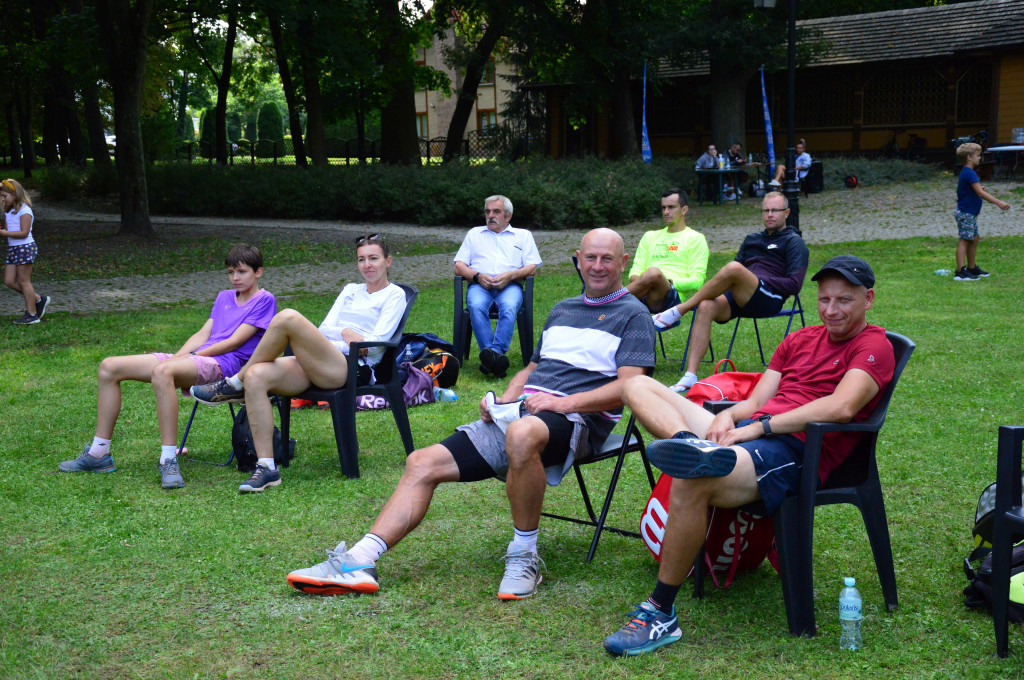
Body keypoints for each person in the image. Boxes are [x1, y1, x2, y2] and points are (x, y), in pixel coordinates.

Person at [284, 228, 656, 600]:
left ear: (623, 262)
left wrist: (564, 404)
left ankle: (523, 554)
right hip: (526, 414)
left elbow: (630, 387)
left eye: (607, 258)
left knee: (523, 432)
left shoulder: (633, 315)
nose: (597, 266)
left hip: (579, 421)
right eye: (590, 257)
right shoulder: (562, 309)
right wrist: (503, 399)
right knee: (421, 462)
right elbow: (533, 367)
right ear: (577, 258)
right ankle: (359, 561)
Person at [603, 254, 895, 657]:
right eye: (825, 299)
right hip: (750, 434)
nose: (831, 310)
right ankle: (691, 442)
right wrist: (730, 418)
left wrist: (758, 427)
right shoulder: (799, 339)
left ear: (868, 299)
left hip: (796, 449)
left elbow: (841, 408)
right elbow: (758, 399)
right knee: (636, 387)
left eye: (844, 300)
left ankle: (660, 612)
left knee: (692, 478)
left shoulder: (873, 346)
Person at [190, 234, 408, 493]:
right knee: (258, 375)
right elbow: (325, 327)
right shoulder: (351, 290)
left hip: (354, 367)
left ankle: (233, 382)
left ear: (388, 261)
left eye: (374, 258)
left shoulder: (395, 295)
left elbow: (378, 340)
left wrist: (342, 338)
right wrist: (344, 332)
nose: (367, 265)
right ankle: (267, 467)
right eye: (362, 259)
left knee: (288, 317)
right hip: (322, 358)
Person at [58, 244, 276, 489]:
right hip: (198, 358)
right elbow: (204, 333)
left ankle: (168, 459)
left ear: (258, 272)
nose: (235, 278)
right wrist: (179, 358)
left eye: (242, 272)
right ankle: (99, 453)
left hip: (225, 366)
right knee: (109, 366)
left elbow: (233, 342)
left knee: (163, 371)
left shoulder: (265, 300)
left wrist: (186, 358)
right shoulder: (224, 296)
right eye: (230, 272)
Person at [652, 192, 809, 393]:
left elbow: (794, 284)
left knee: (734, 268)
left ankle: (679, 310)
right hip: (740, 297)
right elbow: (733, 275)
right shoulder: (752, 239)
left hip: (769, 298)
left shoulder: (794, 242)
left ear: (787, 213)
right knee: (707, 304)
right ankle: (690, 375)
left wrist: (756, 280)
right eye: (766, 210)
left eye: (775, 210)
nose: (769, 214)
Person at [454, 195, 542, 379]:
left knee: (509, 307)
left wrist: (510, 275)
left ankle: (491, 354)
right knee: (476, 306)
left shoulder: (523, 235)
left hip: (510, 285)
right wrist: (477, 277)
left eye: (496, 212)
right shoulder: (474, 234)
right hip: (480, 285)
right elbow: (458, 266)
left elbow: (532, 267)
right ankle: (495, 357)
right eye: (487, 212)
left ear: (508, 216)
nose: (490, 216)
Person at [626, 188, 709, 318]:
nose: (666, 212)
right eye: (663, 208)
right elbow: (634, 272)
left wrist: (666, 281)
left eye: (671, 207)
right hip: (643, 293)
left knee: (654, 273)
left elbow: (697, 281)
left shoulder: (696, 239)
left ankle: (612, 301)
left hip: (671, 298)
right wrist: (648, 283)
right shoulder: (649, 236)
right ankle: (613, 301)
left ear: (684, 210)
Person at [952, 142, 1010, 281]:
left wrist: (977, 190)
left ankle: (972, 268)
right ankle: (960, 272)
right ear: (969, 157)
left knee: (974, 238)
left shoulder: (967, 173)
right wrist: (998, 202)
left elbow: (970, 190)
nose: (980, 158)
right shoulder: (969, 173)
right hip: (966, 212)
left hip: (969, 212)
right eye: (978, 155)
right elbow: (979, 192)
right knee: (965, 240)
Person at [1, 178, 49, 325]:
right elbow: (9, 230)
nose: (3, 199)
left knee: (23, 281)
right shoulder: (8, 211)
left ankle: (32, 314)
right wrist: (3, 230)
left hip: (25, 247)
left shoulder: (25, 210)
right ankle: (38, 300)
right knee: (9, 281)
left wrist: (3, 233)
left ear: (15, 194)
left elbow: (23, 233)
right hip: (14, 248)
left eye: (5, 196)